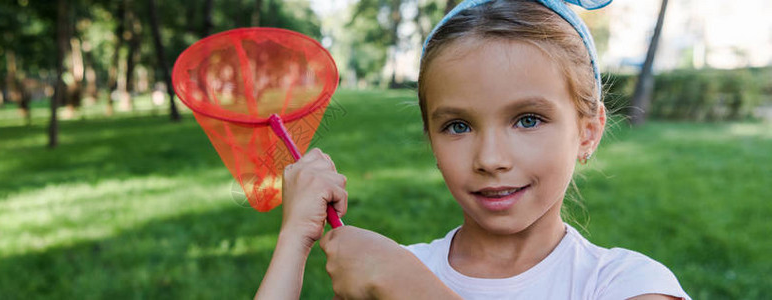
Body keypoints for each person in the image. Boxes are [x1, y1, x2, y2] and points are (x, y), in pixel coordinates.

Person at [255, 0, 691, 299]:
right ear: (431, 137)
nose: (490, 159)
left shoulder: (627, 284)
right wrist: (294, 240)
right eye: (458, 126)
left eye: (528, 119)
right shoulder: (393, 268)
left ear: (589, 131)